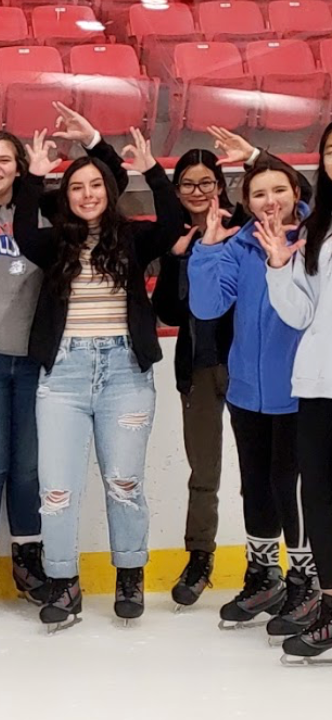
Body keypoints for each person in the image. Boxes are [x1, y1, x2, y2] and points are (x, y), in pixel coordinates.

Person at [0, 103, 131, 608]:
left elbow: (108, 186)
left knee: (30, 469)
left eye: (3, 159)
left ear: (18, 165)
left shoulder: (50, 211)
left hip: (39, 360)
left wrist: (93, 139)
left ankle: (28, 555)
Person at [16, 126, 183, 630]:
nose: (87, 194)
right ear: (65, 198)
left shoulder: (132, 238)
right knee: (57, 489)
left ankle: (129, 573)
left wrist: (153, 171)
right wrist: (33, 178)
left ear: (109, 192)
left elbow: (173, 221)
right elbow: (24, 234)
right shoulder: (55, 243)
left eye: (95, 185)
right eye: (76, 187)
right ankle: (62, 582)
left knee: (124, 483)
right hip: (63, 376)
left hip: (124, 376)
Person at [189, 156, 315, 636]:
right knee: (255, 485)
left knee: (292, 486)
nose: (270, 201)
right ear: (246, 202)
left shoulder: (315, 241)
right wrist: (207, 248)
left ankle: (307, 578)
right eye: (259, 194)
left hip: (301, 390)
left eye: (278, 190)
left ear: (296, 192)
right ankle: (265, 576)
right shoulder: (238, 246)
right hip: (246, 391)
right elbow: (207, 305)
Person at [150, 147, 235, 608]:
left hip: (250, 365)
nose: (198, 192)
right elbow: (167, 311)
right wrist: (178, 259)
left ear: (219, 185)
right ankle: (200, 557)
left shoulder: (244, 227)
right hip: (198, 367)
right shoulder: (175, 238)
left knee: (274, 468)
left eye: (206, 182)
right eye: (188, 184)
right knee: (204, 471)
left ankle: (280, 562)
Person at [260, 120, 332, 662]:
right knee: (320, 499)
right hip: (317, 383)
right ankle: (329, 609)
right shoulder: (321, 229)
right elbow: (302, 312)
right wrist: (280, 266)